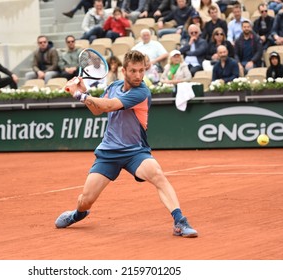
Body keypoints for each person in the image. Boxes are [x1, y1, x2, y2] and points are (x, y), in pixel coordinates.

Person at [55, 50, 198, 238]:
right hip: (108, 153)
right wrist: (85, 92)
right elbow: (98, 111)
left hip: (135, 152)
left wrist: (79, 96)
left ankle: (180, 222)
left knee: (157, 174)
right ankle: (78, 214)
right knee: (85, 200)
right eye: (133, 71)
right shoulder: (113, 86)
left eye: (141, 71)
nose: (138, 76)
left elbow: (108, 106)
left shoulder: (142, 92)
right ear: (124, 71)